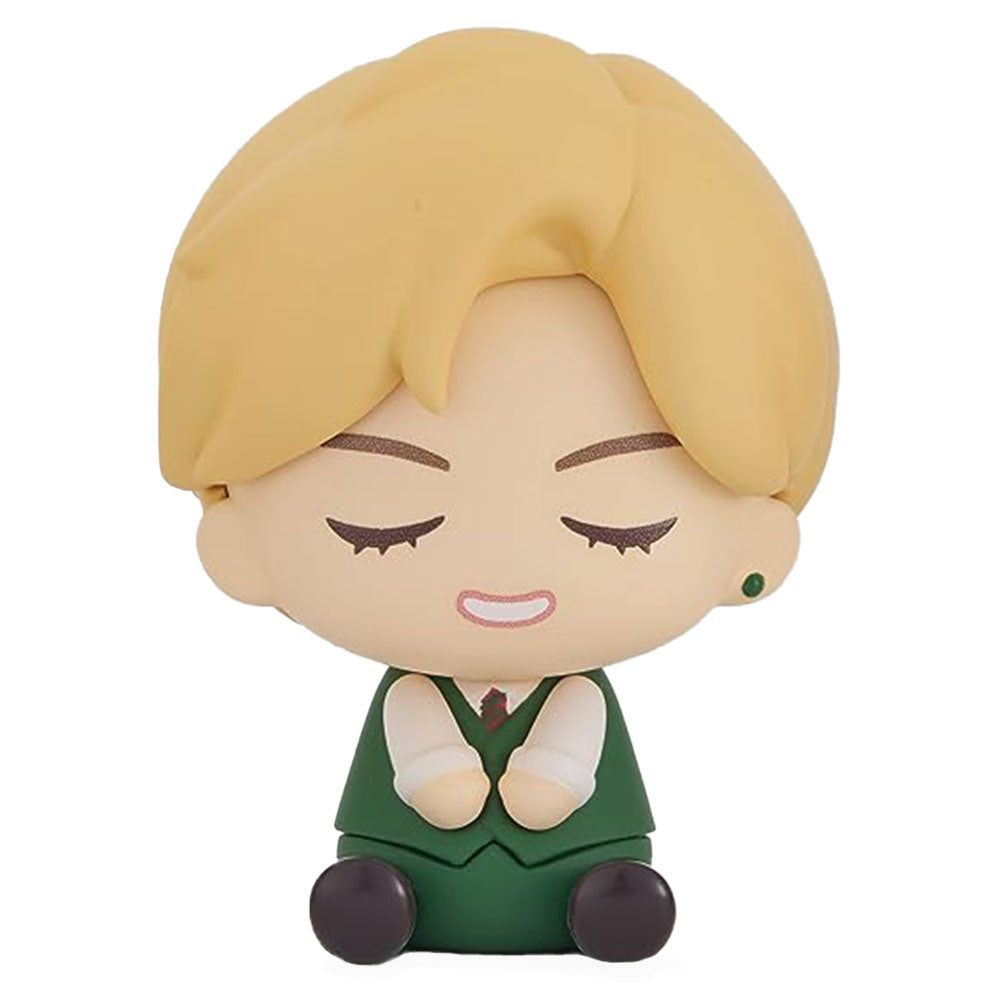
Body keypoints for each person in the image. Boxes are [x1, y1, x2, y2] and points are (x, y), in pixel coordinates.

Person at [159, 28, 837, 963]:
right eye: (382, 529)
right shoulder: (411, 696)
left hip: (577, 858)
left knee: (613, 887)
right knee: (370, 886)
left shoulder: (578, 698)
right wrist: (432, 769)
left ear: (758, 548)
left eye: (620, 530)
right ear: (237, 543)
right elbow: (414, 743)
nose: (503, 571)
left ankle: (602, 906)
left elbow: (573, 750)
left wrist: (554, 773)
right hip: (409, 858)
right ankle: (381, 906)